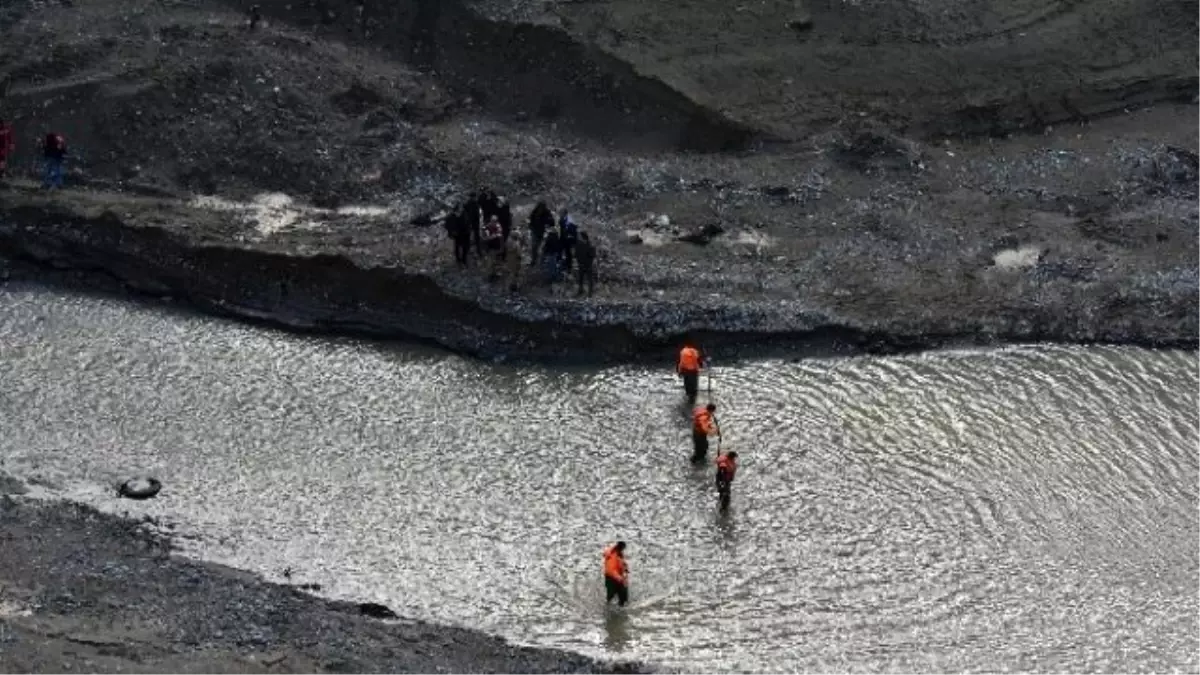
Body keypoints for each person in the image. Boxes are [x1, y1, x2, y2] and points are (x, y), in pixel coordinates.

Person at [603, 541, 629, 607]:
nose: (623, 550)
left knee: (624, 596)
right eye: (623, 548)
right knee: (610, 597)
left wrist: (626, 569)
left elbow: (623, 563)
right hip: (611, 578)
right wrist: (619, 578)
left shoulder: (619, 554)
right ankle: (609, 608)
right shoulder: (611, 554)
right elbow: (610, 570)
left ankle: (621, 606)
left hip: (618, 578)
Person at [528, 202, 552, 267]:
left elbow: (551, 222)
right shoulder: (535, 211)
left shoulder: (546, 212)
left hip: (541, 232)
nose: (540, 209)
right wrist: (530, 226)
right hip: (534, 231)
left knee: (538, 246)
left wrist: (548, 222)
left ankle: (538, 260)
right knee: (534, 246)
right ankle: (534, 260)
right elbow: (531, 218)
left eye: (542, 208)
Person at [575, 232, 596, 297]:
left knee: (589, 279)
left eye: (580, 236)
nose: (578, 237)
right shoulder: (579, 244)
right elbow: (576, 254)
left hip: (587, 265)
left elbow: (592, 255)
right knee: (580, 279)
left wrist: (588, 262)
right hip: (581, 264)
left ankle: (590, 292)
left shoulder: (590, 245)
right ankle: (580, 291)